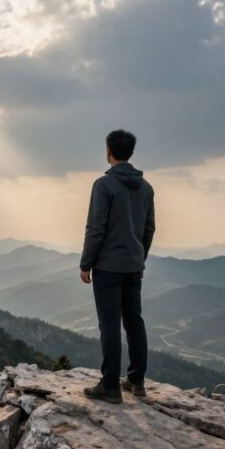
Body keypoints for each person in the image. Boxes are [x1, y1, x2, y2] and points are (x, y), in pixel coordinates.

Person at [79, 129, 155, 403]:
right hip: (134, 266)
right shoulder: (146, 188)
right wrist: (139, 258)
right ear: (130, 152)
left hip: (108, 267)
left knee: (109, 324)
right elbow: (149, 229)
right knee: (135, 321)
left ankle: (110, 385)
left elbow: (95, 228)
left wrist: (86, 263)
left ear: (109, 151)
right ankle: (136, 380)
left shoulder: (104, 186)